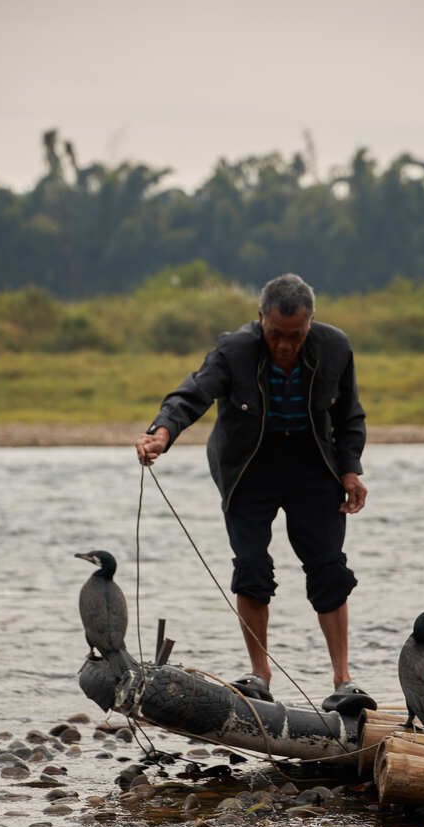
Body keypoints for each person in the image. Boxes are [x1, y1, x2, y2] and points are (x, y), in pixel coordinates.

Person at [135, 273, 374, 711]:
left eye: (296, 335)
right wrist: (161, 435)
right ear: (260, 319)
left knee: (328, 568)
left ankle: (343, 679)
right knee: (251, 567)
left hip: (311, 465)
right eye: (276, 334)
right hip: (248, 468)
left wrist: (350, 472)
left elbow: (349, 417)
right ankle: (259, 676)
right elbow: (190, 396)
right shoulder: (233, 351)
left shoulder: (335, 347)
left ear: (311, 323)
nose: (285, 345)